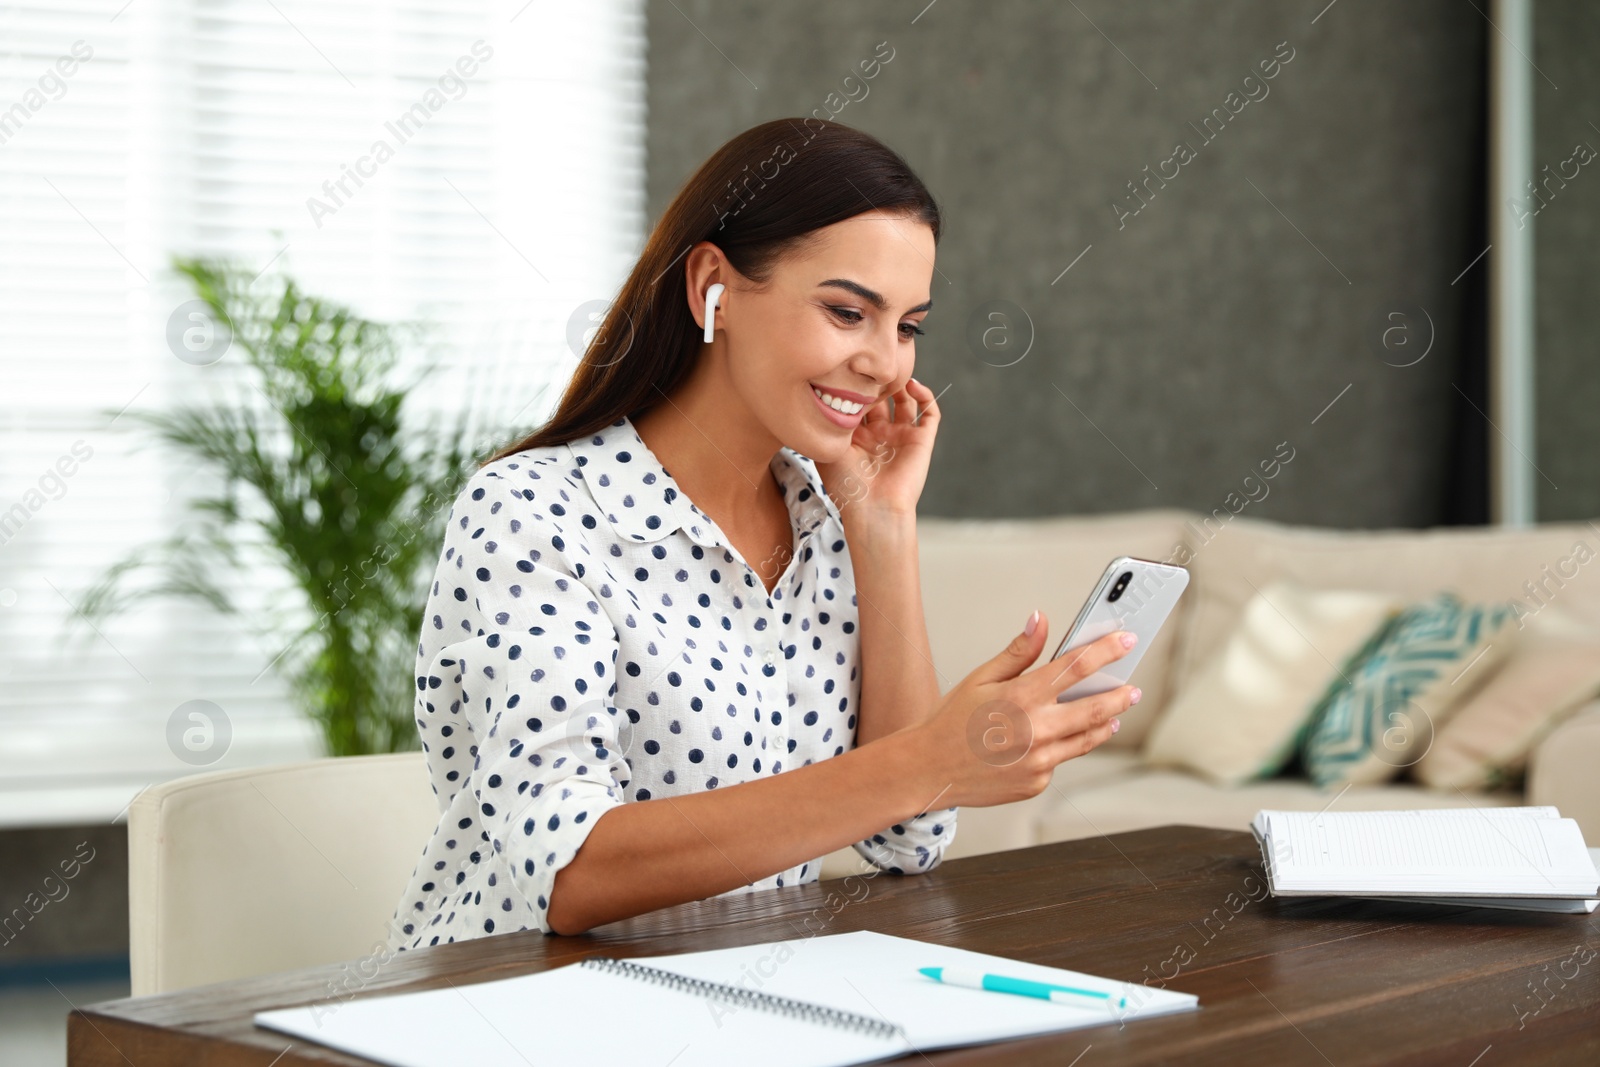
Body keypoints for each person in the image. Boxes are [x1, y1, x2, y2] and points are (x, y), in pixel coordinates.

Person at [387, 117, 1138, 947]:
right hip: (509, 1009)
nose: (887, 362)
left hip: (733, 1001)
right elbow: (572, 873)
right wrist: (931, 759)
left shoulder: (821, 516)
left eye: (908, 326)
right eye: (848, 311)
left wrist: (882, 524)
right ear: (713, 286)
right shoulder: (535, 511)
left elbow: (907, 835)